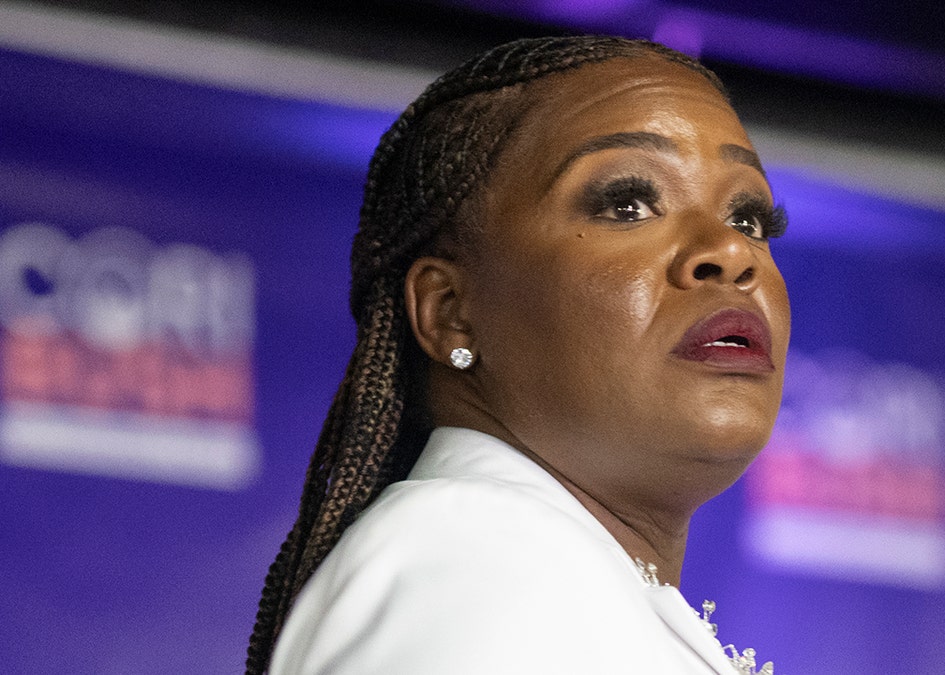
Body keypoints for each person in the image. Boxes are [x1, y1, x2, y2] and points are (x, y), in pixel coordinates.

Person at [247, 34, 790, 675]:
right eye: (627, 204)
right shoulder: (472, 558)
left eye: (749, 218)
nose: (731, 251)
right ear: (451, 312)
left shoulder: (540, 568)